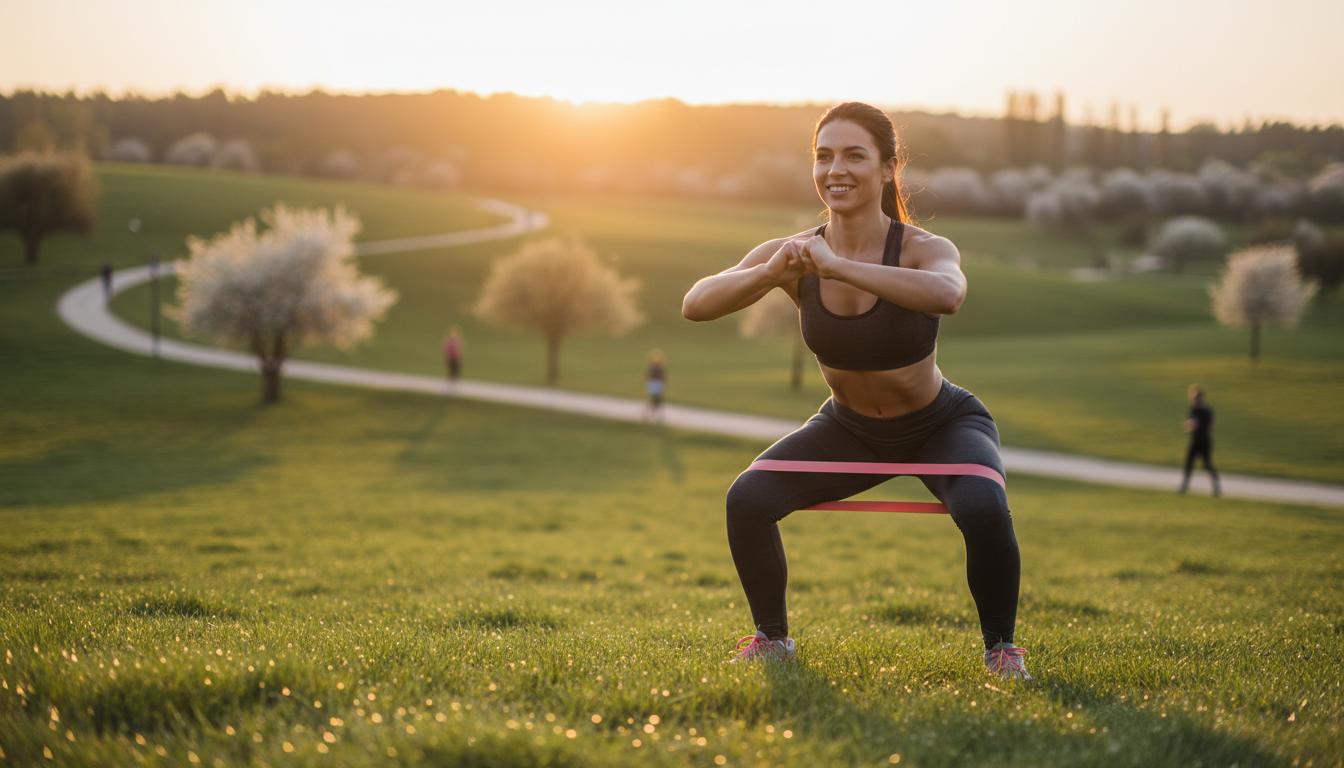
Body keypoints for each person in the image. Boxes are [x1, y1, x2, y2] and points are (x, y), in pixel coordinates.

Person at [682, 102, 1028, 679]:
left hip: (939, 423)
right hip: (848, 429)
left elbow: (948, 294)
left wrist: (839, 269)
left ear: (889, 168)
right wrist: (771, 272)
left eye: (853, 155)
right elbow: (695, 304)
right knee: (746, 499)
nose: (834, 169)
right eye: (823, 156)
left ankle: (1001, 650)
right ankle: (774, 642)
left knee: (983, 506)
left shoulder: (922, 247)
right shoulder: (794, 252)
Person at [1178, 385, 1220, 496]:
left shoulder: (1206, 410)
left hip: (1204, 441)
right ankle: (1184, 487)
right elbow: (1191, 423)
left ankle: (1216, 487)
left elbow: (1208, 424)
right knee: (1188, 463)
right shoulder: (1193, 409)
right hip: (1195, 440)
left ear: (1201, 398)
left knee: (1207, 464)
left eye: (1196, 398)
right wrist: (1189, 426)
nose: (1194, 400)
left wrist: (1193, 425)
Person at [643, 349, 667, 423]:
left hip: (657, 384)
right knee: (653, 400)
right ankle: (649, 414)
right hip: (654, 384)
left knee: (658, 400)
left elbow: (663, 377)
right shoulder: (652, 368)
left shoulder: (659, 368)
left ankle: (656, 415)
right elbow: (648, 377)